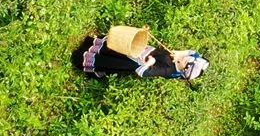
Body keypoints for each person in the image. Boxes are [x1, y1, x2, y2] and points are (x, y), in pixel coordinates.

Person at [71, 25, 208, 83]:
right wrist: (178, 54)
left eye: (186, 60)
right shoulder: (182, 59)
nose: (187, 57)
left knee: (109, 57)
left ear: (184, 67)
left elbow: (141, 72)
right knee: (115, 45)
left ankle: (82, 57)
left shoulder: (167, 70)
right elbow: (192, 52)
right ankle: (92, 43)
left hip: (135, 60)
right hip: (142, 49)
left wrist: (149, 63)